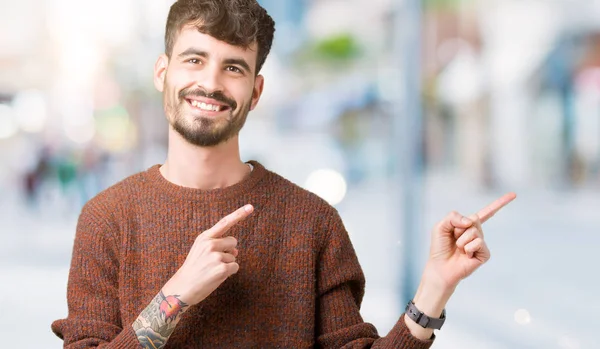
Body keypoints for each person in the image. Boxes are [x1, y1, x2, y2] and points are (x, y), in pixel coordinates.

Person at [51, 0, 516, 348]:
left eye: (232, 67)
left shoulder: (311, 220)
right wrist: (175, 295)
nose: (210, 82)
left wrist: (435, 287)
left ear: (255, 91)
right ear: (162, 71)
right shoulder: (106, 217)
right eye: (194, 59)